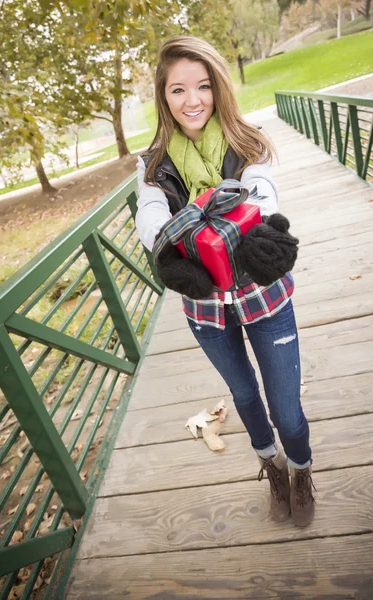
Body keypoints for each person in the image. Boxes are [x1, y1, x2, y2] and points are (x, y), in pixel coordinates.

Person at [135, 35, 315, 527]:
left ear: (218, 87)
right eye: (177, 90)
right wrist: (179, 237)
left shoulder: (248, 142)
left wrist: (238, 223)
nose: (192, 100)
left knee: (286, 405)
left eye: (202, 86)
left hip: (264, 295)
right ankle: (272, 468)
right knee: (243, 396)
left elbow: (262, 196)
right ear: (163, 96)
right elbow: (150, 221)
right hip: (207, 309)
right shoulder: (152, 165)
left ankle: (301, 469)